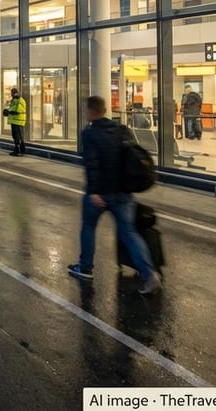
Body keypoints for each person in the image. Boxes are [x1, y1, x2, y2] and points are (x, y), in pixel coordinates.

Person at [68, 96, 161, 295]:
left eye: (85, 109)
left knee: (88, 227)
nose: (84, 112)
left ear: (91, 111)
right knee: (129, 233)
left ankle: (85, 267)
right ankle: (149, 273)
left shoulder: (90, 133)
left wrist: (94, 191)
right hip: (123, 194)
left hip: (100, 193)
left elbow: (91, 165)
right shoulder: (121, 130)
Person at [3, 87, 27, 156]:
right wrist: (8, 112)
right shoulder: (14, 100)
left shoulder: (19, 100)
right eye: (12, 93)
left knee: (17, 136)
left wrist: (9, 112)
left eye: (14, 93)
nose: (13, 95)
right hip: (15, 120)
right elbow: (13, 109)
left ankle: (18, 150)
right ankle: (19, 149)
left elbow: (17, 110)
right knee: (16, 135)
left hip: (18, 120)